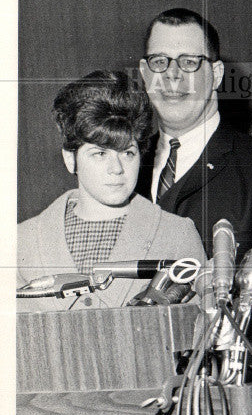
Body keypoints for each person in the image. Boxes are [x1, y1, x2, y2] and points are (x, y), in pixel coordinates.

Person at [138, 8, 252, 374]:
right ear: (144, 74)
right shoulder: (121, 172)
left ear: (217, 74)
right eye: (160, 61)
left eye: (189, 62)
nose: (172, 75)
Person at [17, 70, 205, 311]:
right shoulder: (22, 242)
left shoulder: (177, 235)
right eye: (99, 153)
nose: (116, 169)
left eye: (128, 153)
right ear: (70, 159)